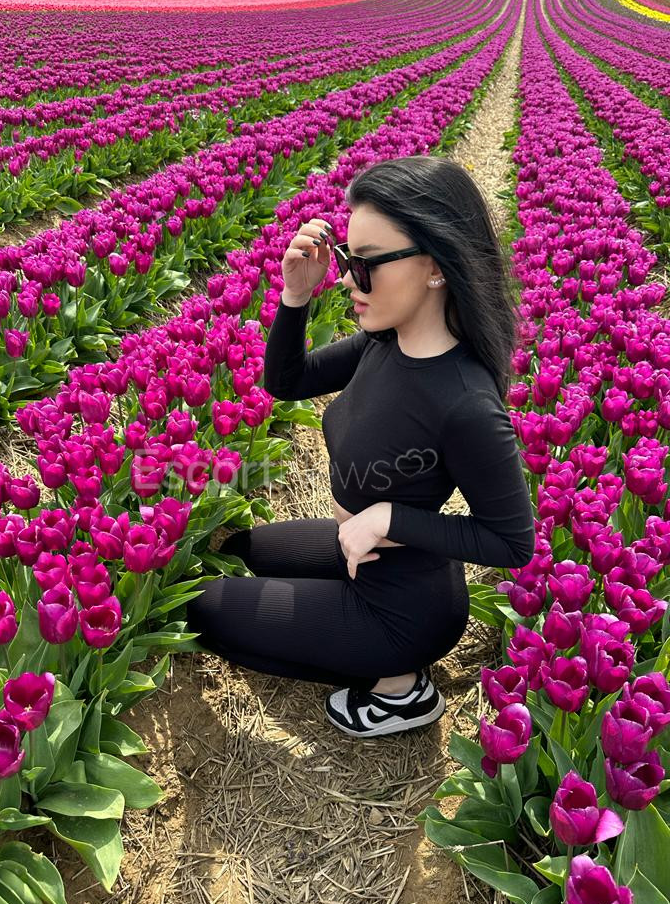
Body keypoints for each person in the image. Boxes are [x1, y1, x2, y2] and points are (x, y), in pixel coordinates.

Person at [185, 155, 536, 740]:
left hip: (403, 609)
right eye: (349, 260)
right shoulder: (385, 341)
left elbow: (512, 542)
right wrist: (295, 296)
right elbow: (287, 382)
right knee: (244, 548)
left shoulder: (465, 402)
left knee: (204, 606)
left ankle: (399, 689)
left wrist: (387, 517)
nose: (348, 279)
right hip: (367, 553)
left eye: (367, 264)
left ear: (435, 265)